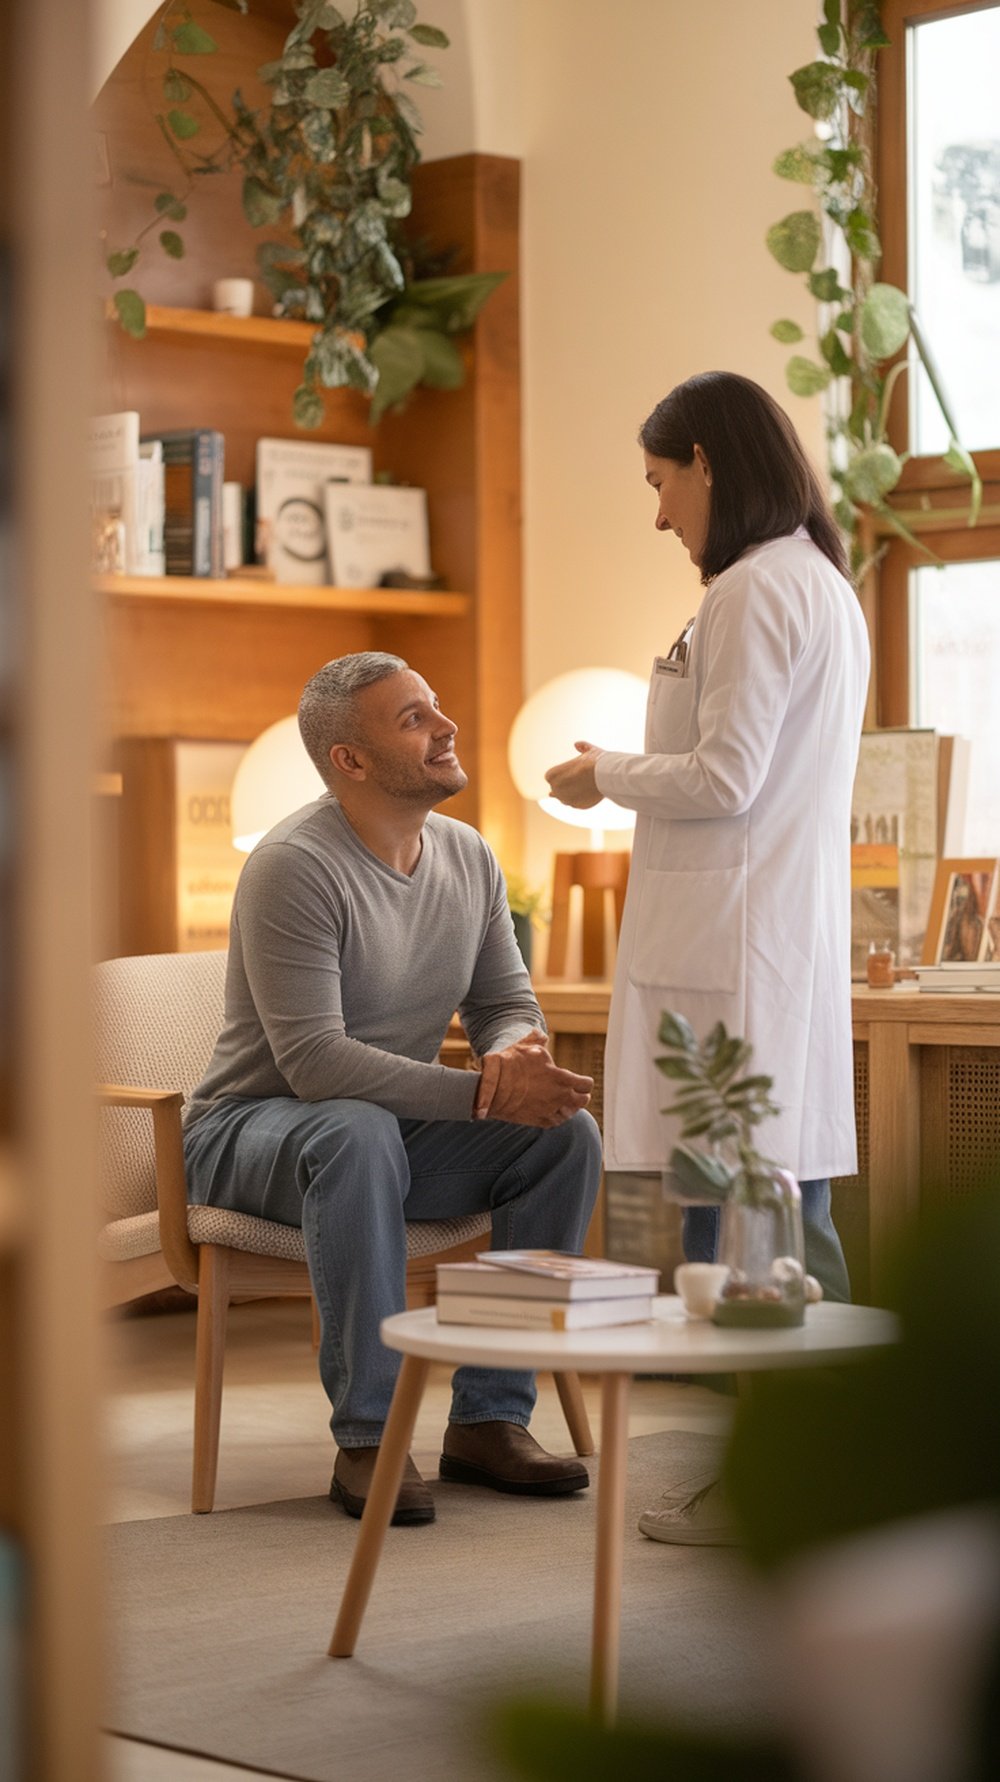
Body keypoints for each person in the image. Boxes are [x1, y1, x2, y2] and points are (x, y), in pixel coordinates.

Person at [545, 371, 870, 1543]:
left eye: (659, 482)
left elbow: (726, 776)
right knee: (772, 1215)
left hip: (732, 957)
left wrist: (604, 773)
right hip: (751, 945)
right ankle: (807, 1478)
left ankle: (786, 1488)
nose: (657, 515)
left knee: (748, 1235)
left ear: (706, 463)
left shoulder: (754, 589)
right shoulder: (811, 582)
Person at [184, 651, 602, 1526]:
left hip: (380, 1132)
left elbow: (503, 1002)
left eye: (435, 705)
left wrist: (513, 1056)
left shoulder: (468, 854)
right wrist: (487, 1094)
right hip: (248, 1132)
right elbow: (316, 1064)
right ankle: (370, 1436)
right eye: (414, 719)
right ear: (352, 759)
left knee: (562, 1138)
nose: (447, 727)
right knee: (354, 1129)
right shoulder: (293, 865)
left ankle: (489, 1418)